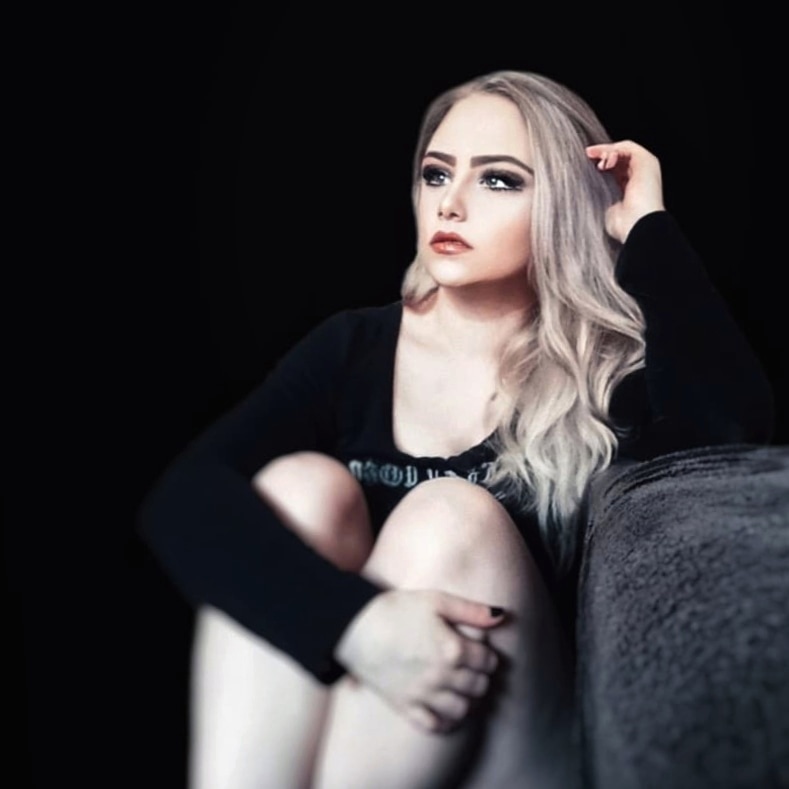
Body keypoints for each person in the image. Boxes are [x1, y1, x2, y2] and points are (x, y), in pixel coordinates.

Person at [137, 70, 774, 788]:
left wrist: (647, 229)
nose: (451, 202)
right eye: (436, 174)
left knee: (448, 517)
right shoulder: (355, 348)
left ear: (563, 206)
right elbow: (182, 502)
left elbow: (731, 444)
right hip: (357, 741)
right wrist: (359, 626)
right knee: (297, 488)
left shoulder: (603, 372)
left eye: (499, 180)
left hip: (521, 758)